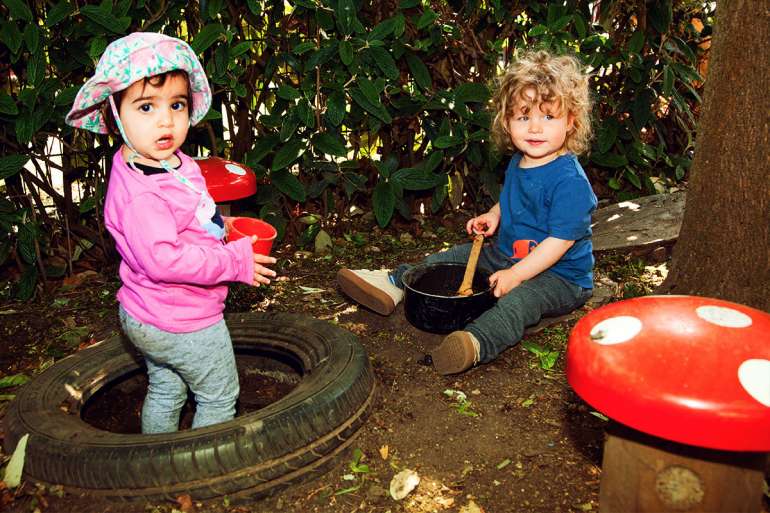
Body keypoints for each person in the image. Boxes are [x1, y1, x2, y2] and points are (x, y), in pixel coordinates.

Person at [65, 32, 277, 433]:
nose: (166, 120)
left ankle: (157, 460)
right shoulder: (142, 198)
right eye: (146, 106)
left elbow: (194, 213)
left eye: (177, 105)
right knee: (218, 394)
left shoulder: (170, 162)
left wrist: (223, 227)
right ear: (115, 116)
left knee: (167, 386)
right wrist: (234, 260)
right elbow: (164, 259)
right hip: (181, 322)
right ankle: (200, 472)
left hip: (148, 315)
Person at [337, 49, 597, 375]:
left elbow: (560, 242)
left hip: (560, 276)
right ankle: (396, 282)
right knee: (451, 258)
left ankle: (474, 344)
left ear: (570, 121)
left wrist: (517, 275)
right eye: (523, 116)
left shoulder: (569, 181)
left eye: (548, 117)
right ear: (506, 121)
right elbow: (513, 199)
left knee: (520, 302)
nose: (534, 128)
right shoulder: (521, 161)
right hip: (505, 256)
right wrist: (495, 215)